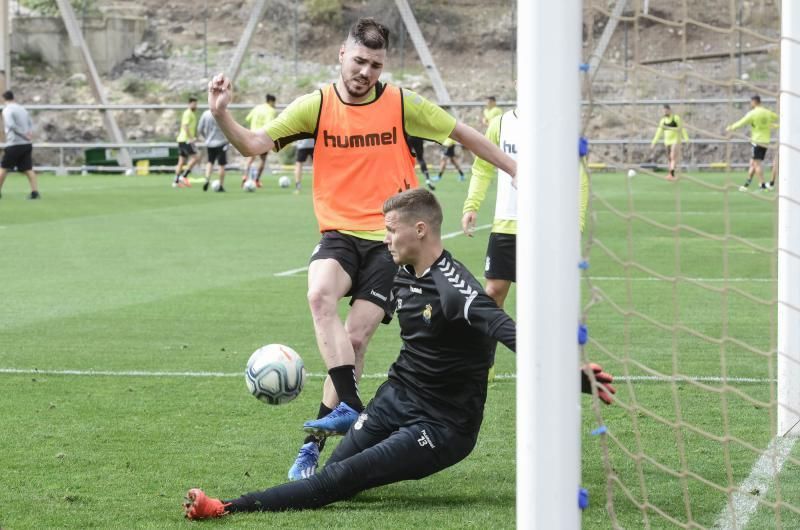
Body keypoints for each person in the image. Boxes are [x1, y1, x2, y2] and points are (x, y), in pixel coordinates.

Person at [182, 188, 617, 520]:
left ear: (420, 230)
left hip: (444, 425)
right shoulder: (400, 271)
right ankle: (356, 431)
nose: (385, 238)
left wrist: (568, 372)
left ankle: (225, 507)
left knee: (336, 481)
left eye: (391, 230)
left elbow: (505, 328)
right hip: (396, 398)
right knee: (341, 469)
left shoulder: (454, 287)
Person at [207, 17, 517, 482]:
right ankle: (350, 404)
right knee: (318, 296)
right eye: (359, 61)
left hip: (388, 241)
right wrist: (220, 114)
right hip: (338, 233)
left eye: (375, 64)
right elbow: (254, 145)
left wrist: (516, 166)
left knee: (355, 339)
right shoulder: (316, 106)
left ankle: (310, 446)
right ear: (341, 55)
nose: (366, 72)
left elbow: (462, 134)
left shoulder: (398, 103)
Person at [726, 95, 779, 192]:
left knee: (756, 164)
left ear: (754, 102)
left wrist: (731, 128)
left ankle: (762, 186)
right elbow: (776, 117)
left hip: (757, 141)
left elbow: (741, 122)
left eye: (751, 102)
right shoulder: (767, 112)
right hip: (766, 141)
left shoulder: (752, 113)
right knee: (753, 163)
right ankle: (746, 185)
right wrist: (774, 125)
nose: (751, 104)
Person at [0, 91, 40, 200]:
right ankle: (35, 192)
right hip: (26, 144)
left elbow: (11, 125)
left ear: (4, 99)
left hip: (14, 143)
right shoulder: (22, 108)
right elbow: (30, 123)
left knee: (3, 168)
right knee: (28, 169)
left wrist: (23, 135)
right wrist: (29, 134)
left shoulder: (7, 110)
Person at [243, 94, 277, 188]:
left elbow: (248, 118)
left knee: (250, 157)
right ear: (271, 101)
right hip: (262, 137)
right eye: (274, 102)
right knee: (262, 159)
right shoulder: (271, 111)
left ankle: (245, 175)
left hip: (251, 135)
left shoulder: (257, 108)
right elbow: (270, 124)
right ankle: (257, 180)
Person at [649, 104, 688, 180]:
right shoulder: (663, 121)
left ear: (669, 110)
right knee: (670, 159)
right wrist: (654, 142)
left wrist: (686, 139)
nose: (664, 112)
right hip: (667, 142)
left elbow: (682, 129)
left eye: (666, 110)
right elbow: (658, 132)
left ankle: (672, 174)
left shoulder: (675, 118)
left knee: (672, 156)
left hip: (676, 140)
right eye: (663, 111)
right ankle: (672, 173)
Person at [197, 109, 229, 192]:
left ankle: (207, 179)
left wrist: (206, 137)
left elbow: (200, 128)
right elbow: (228, 127)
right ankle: (221, 185)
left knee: (210, 162)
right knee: (221, 164)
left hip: (209, 142)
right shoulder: (223, 112)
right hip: (221, 142)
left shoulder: (205, 113)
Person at [173, 97, 199, 188]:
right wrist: (191, 138)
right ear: (189, 104)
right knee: (196, 157)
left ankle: (176, 181)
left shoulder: (191, 113)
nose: (196, 106)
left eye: (196, 104)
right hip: (186, 140)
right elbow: (185, 126)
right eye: (194, 104)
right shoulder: (188, 113)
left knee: (181, 161)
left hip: (182, 139)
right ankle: (183, 176)